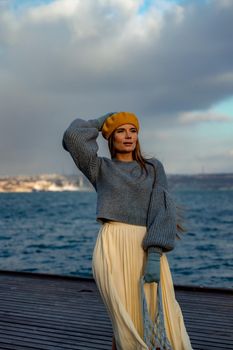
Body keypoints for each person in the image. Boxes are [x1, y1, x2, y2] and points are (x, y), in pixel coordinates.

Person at [62, 112, 193, 350]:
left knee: (155, 313)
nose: (128, 136)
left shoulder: (153, 168)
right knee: (122, 320)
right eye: (121, 131)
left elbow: (162, 210)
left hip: (146, 247)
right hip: (112, 245)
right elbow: (73, 136)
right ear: (110, 137)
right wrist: (103, 121)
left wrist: (154, 253)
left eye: (133, 130)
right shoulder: (100, 168)